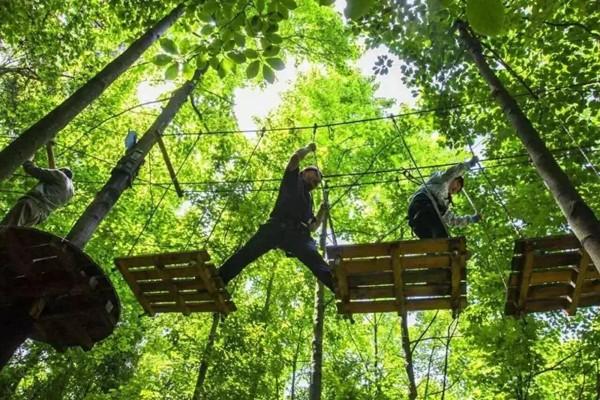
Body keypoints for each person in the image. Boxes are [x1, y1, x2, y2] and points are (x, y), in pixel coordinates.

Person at [218, 143, 334, 292]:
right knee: (248, 252)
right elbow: (294, 158)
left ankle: (337, 285)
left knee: (315, 259)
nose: (316, 183)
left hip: (298, 235)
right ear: (305, 172)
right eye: (315, 177)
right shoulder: (292, 180)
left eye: (318, 183)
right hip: (276, 226)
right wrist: (308, 149)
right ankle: (220, 278)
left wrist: (321, 211)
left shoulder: (309, 201)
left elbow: (312, 227)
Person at [407, 156, 481, 239]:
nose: (455, 189)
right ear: (454, 179)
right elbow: (454, 172)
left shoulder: (443, 203)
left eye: (457, 191)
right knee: (441, 233)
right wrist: (469, 164)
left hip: (422, 223)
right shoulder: (442, 180)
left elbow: (452, 220)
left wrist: (471, 219)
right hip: (422, 204)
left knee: (441, 237)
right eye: (457, 184)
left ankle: (436, 250)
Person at [1, 160, 74, 227]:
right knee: (13, 236)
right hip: (38, 216)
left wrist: (28, 161)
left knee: (6, 229)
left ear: (63, 171)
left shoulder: (61, 176)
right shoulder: (70, 193)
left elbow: (32, 170)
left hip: (30, 205)